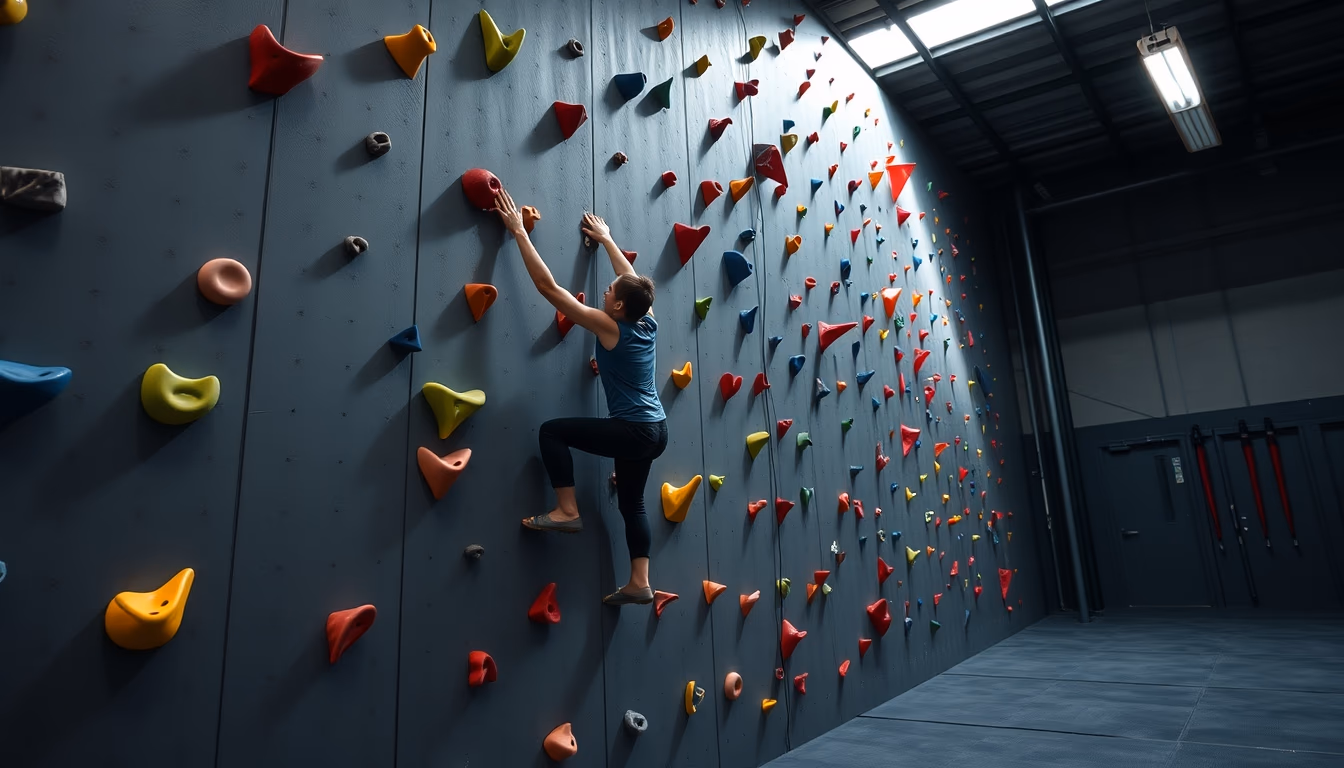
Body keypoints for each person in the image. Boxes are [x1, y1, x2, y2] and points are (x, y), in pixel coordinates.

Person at [494, 190, 668, 606]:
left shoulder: (610, 327)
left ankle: (567, 510)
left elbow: (549, 289)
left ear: (619, 305)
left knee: (553, 433)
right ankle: (640, 582)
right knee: (632, 503)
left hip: (634, 429)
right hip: (656, 430)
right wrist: (607, 240)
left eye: (609, 292)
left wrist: (519, 231)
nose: (604, 293)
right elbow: (628, 277)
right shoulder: (646, 321)